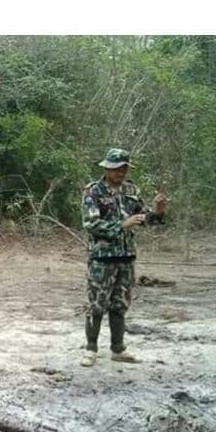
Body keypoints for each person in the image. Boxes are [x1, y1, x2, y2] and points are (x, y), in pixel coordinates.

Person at [80, 148, 168, 367]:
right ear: (106, 168)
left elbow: (144, 219)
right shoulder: (93, 191)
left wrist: (157, 212)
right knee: (97, 305)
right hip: (102, 257)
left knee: (120, 304)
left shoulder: (131, 189)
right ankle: (91, 349)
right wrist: (122, 224)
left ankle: (118, 349)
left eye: (123, 169)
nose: (120, 173)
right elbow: (91, 224)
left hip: (126, 256)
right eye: (115, 169)